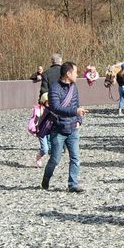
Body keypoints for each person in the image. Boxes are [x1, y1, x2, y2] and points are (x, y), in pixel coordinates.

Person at [42, 62, 87, 193]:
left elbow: (77, 104)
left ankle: (72, 184)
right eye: (75, 72)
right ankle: (46, 178)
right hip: (58, 129)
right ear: (68, 74)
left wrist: (79, 120)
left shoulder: (74, 87)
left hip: (73, 128)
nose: (77, 75)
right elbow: (55, 108)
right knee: (55, 159)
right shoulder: (54, 88)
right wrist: (75, 112)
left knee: (75, 158)